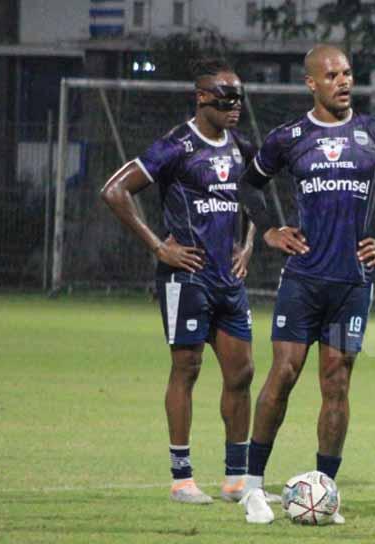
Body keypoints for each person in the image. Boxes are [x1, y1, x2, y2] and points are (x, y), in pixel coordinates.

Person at [236, 44, 375, 524]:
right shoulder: (289, 137)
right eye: (333, 75)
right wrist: (272, 231)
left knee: (336, 382)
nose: (343, 82)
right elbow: (248, 184)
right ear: (311, 83)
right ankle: (253, 487)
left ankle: (326, 490)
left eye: (347, 73)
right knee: (283, 373)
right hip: (303, 278)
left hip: (353, 282)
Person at [100, 58, 258, 505]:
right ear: (202, 97)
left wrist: (247, 245)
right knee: (187, 369)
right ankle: (182, 479)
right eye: (227, 98)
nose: (235, 107)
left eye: (240, 99)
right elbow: (115, 190)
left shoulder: (241, 147)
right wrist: (157, 246)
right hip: (185, 278)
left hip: (228, 280)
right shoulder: (175, 145)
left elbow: (257, 200)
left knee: (241, 373)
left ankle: (235, 480)